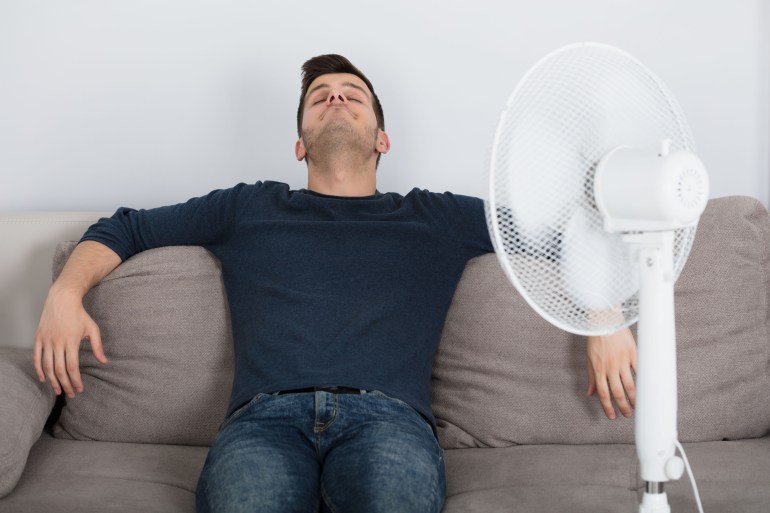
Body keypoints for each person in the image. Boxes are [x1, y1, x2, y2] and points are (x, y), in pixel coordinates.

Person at [34, 54, 638, 513]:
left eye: (353, 95)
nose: (337, 98)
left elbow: (558, 232)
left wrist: (604, 314)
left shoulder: (432, 217)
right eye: (321, 96)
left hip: (390, 422)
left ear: (382, 139)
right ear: (299, 144)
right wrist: (65, 293)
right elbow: (126, 227)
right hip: (261, 423)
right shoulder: (248, 207)